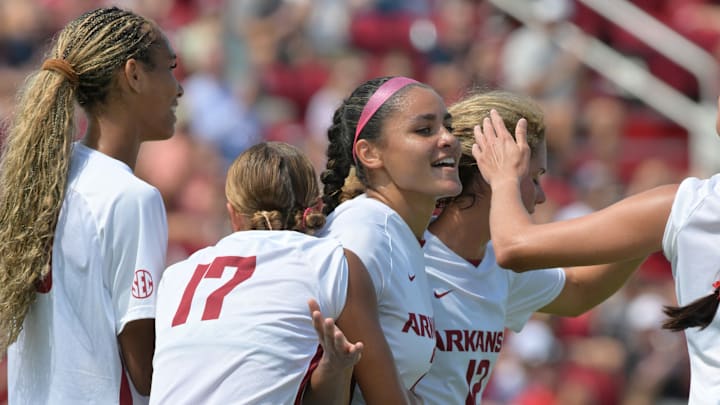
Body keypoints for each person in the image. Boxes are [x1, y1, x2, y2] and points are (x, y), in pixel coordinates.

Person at [472, 104, 720, 403]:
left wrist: (504, 178)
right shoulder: (688, 209)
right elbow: (578, 288)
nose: (542, 195)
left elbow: (515, 246)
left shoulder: (691, 207)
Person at [411, 90, 644, 404]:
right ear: (488, 173)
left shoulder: (496, 265)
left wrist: (651, 230)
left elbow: (579, 291)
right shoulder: (403, 254)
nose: (542, 196)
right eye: (532, 178)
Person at [0, 7, 183, 403]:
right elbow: (146, 371)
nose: (178, 88)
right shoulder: (132, 197)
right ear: (134, 74)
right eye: (170, 66)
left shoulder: (39, 179)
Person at [151, 142, 414, 404]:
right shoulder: (332, 262)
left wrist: (334, 371)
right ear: (318, 207)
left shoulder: (176, 275)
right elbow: (389, 399)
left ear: (233, 213)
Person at [318, 75, 462, 403]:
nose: (448, 139)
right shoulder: (364, 232)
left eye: (447, 126)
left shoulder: (397, 234)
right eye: (424, 130)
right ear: (370, 154)